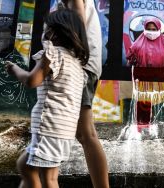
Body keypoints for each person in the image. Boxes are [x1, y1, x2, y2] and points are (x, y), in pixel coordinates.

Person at [5, 9, 89, 187]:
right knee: (26, 167)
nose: (45, 32)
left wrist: (14, 69)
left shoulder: (54, 54)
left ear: (55, 31)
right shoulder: (76, 63)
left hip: (49, 127)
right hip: (63, 130)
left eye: (48, 28)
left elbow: (31, 80)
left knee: (48, 178)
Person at [60, 0, 109, 187]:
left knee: (86, 134)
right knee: (84, 134)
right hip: (82, 66)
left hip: (79, 68)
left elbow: (77, 23)